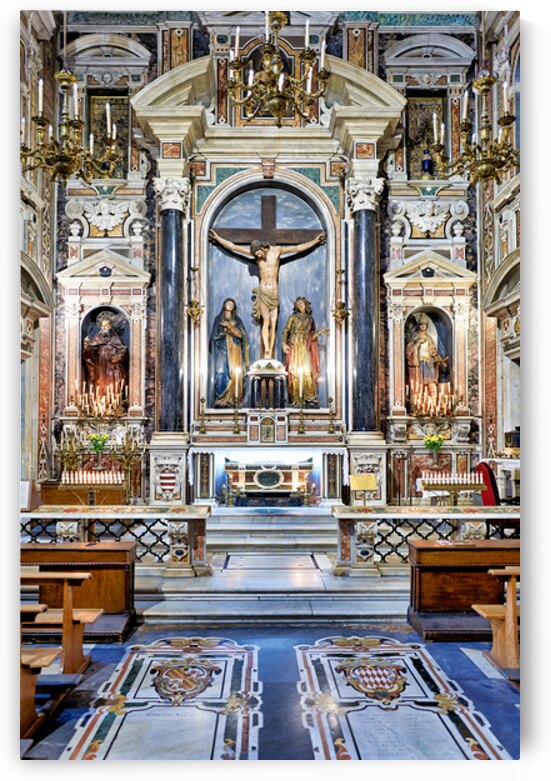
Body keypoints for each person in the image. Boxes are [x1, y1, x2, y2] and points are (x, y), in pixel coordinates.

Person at [209, 228, 325, 360]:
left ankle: (271, 348)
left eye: (258, 253)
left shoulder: (276, 251)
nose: (257, 256)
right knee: (266, 322)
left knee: (274, 323)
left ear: (263, 248)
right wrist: (218, 238)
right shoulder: (255, 256)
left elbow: (297, 248)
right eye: (255, 254)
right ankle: (267, 351)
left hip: (274, 294)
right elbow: (233, 247)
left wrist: (315, 241)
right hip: (264, 293)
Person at [281, 297, 328, 406]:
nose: (300, 305)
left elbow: (311, 336)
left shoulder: (310, 319)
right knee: (295, 372)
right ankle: (296, 397)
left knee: (307, 370)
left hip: (305, 346)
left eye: (301, 303)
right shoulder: (292, 317)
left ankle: (309, 397)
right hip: (294, 345)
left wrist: (319, 332)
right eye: (298, 304)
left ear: (306, 305)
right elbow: (286, 331)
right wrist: (284, 343)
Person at [209, 298, 250, 407]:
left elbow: (243, 336)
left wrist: (231, 329)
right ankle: (221, 398)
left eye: (232, 304)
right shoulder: (218, 319)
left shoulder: (238, 320)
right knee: (220, 371)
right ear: (224, 305)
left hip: (235, 349)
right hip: (222, 349)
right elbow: (214, 335)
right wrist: (224, 334)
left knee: (236, 373)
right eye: (228, 303)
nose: (230, 305)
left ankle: (234, 398)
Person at [82, 313, 128, 398]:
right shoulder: (97, 339)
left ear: (110, 326)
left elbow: (123, 351)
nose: (104, 327)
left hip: (113, 367)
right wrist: (88, 348)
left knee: (114, 386)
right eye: (102, 326)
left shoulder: (115, 338)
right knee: (100, 385)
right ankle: (100, 405)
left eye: (106, 325)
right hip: (100, 366)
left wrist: (118, 357)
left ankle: (116, 406)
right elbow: (89, 354)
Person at [406, 313, 447, 400]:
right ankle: (417, 402)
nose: (423, 327)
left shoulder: (429, 338)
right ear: (418, 326)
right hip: (419, 363)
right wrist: (417, 344)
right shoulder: (415, 337)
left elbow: (432, 351)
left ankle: (432, 401)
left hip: (429, 363)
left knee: (431, 382)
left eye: (424, 325)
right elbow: (409, 349)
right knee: (419, 383)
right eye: (421, 325)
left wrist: (434, 354)